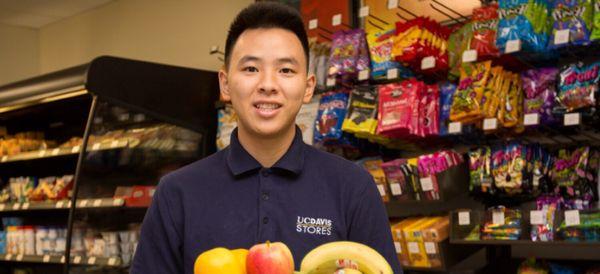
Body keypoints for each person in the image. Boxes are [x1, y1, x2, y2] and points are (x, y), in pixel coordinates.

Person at [130, 2, 402, 274]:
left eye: (286, 70)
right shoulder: (177, 193)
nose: (268, 84)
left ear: (308, 88)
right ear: (225, 84)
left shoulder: (352, 187)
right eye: (251, 69)